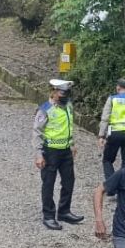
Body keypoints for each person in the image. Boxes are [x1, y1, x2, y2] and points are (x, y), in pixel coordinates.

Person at [33, 78, 84, 230]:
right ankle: (48, 215)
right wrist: (39, 154)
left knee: (69, 182)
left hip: (66, 151)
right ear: (54, 92)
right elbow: (37, 132)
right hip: (50, 152)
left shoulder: (68, 105)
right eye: (62, 93)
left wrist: (72, 144)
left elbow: (68, 127)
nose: (65, 96)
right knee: (48, 183)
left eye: (67, 94)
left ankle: (64, 211)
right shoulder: (45, 109)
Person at [99, 78, 125, 183]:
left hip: (115, 132)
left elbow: (105, 117)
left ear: (118, 87)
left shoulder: (113, 99)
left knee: (107, 160)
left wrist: (101, 136)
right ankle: (121, 185)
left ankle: (112, 184)